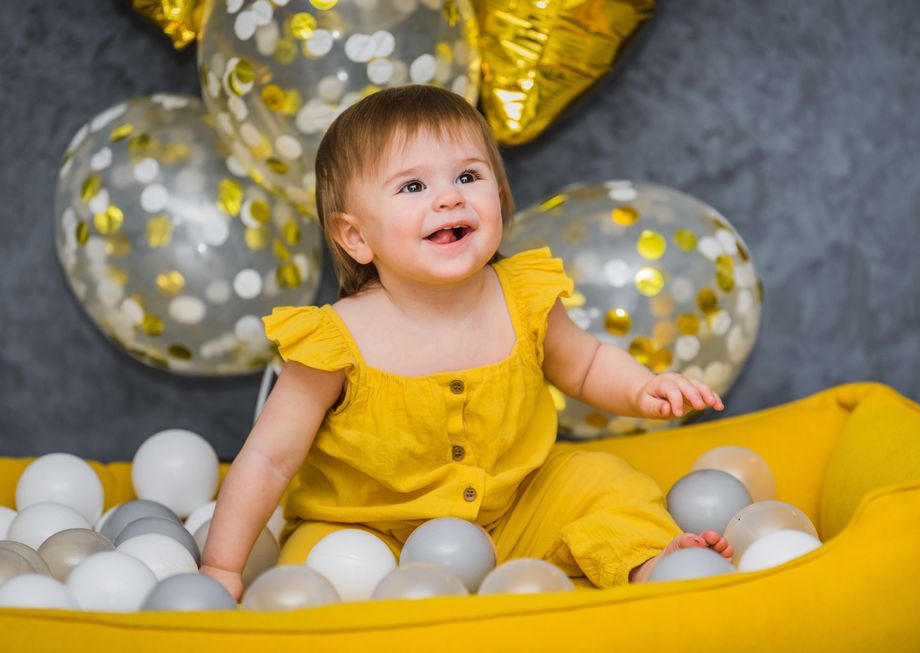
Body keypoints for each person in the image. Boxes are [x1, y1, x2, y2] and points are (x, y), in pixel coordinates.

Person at [201, 85, 731, 600]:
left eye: (468, 176)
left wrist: (642, 388)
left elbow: (587, 366)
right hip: (372, 533)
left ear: (498, 196)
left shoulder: (525, 298)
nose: (450, 197)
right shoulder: (336, 341)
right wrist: (221, 565)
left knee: (603, 479)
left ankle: (649, 559)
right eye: (413, 187)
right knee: (323, 562)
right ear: (356, 237)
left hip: (515, 514)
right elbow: (269, 459)